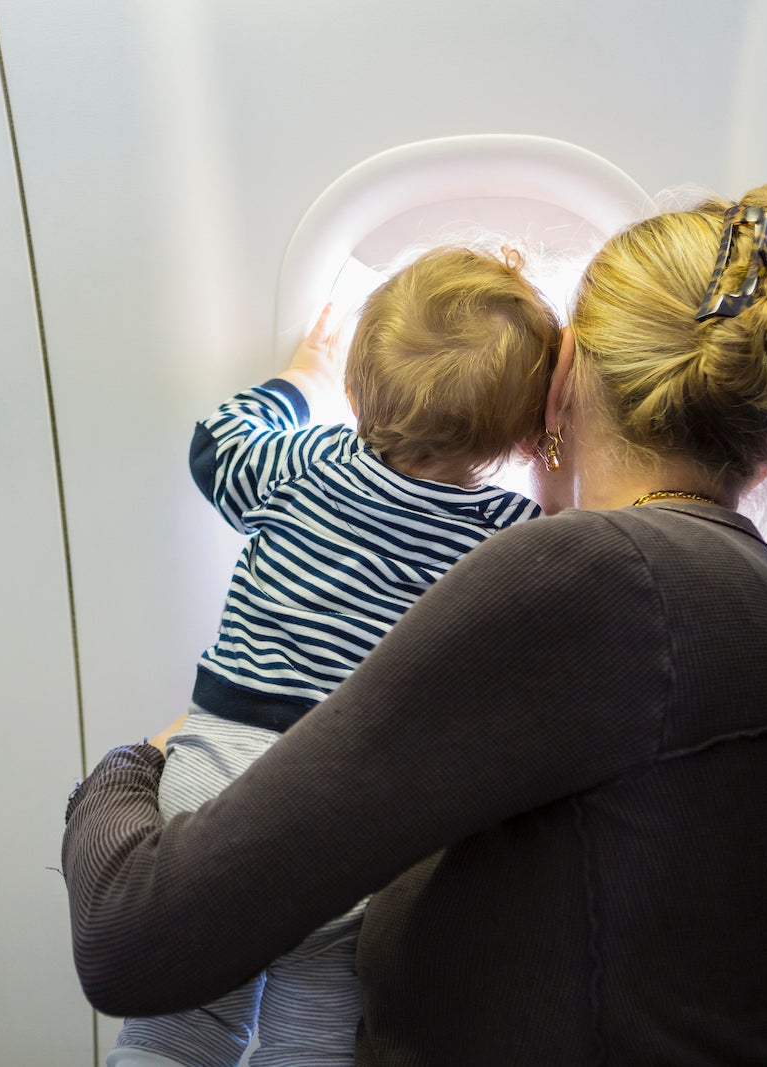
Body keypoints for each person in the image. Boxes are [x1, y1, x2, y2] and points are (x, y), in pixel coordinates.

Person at [64, 183, 767, 1066]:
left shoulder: (591, 578)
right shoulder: (744, 599)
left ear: (564, 377)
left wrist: (142, 759)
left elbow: (130, 937)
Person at [111, 246, 562, 1067]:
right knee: (313, 1036)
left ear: (356, 390)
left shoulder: (299, 463)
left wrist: (303, 378)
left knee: (181, 1029)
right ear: (521, 434)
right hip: (344, 822)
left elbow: (215, 443)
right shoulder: (505, 533)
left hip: (208, 788)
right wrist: (544, 447)